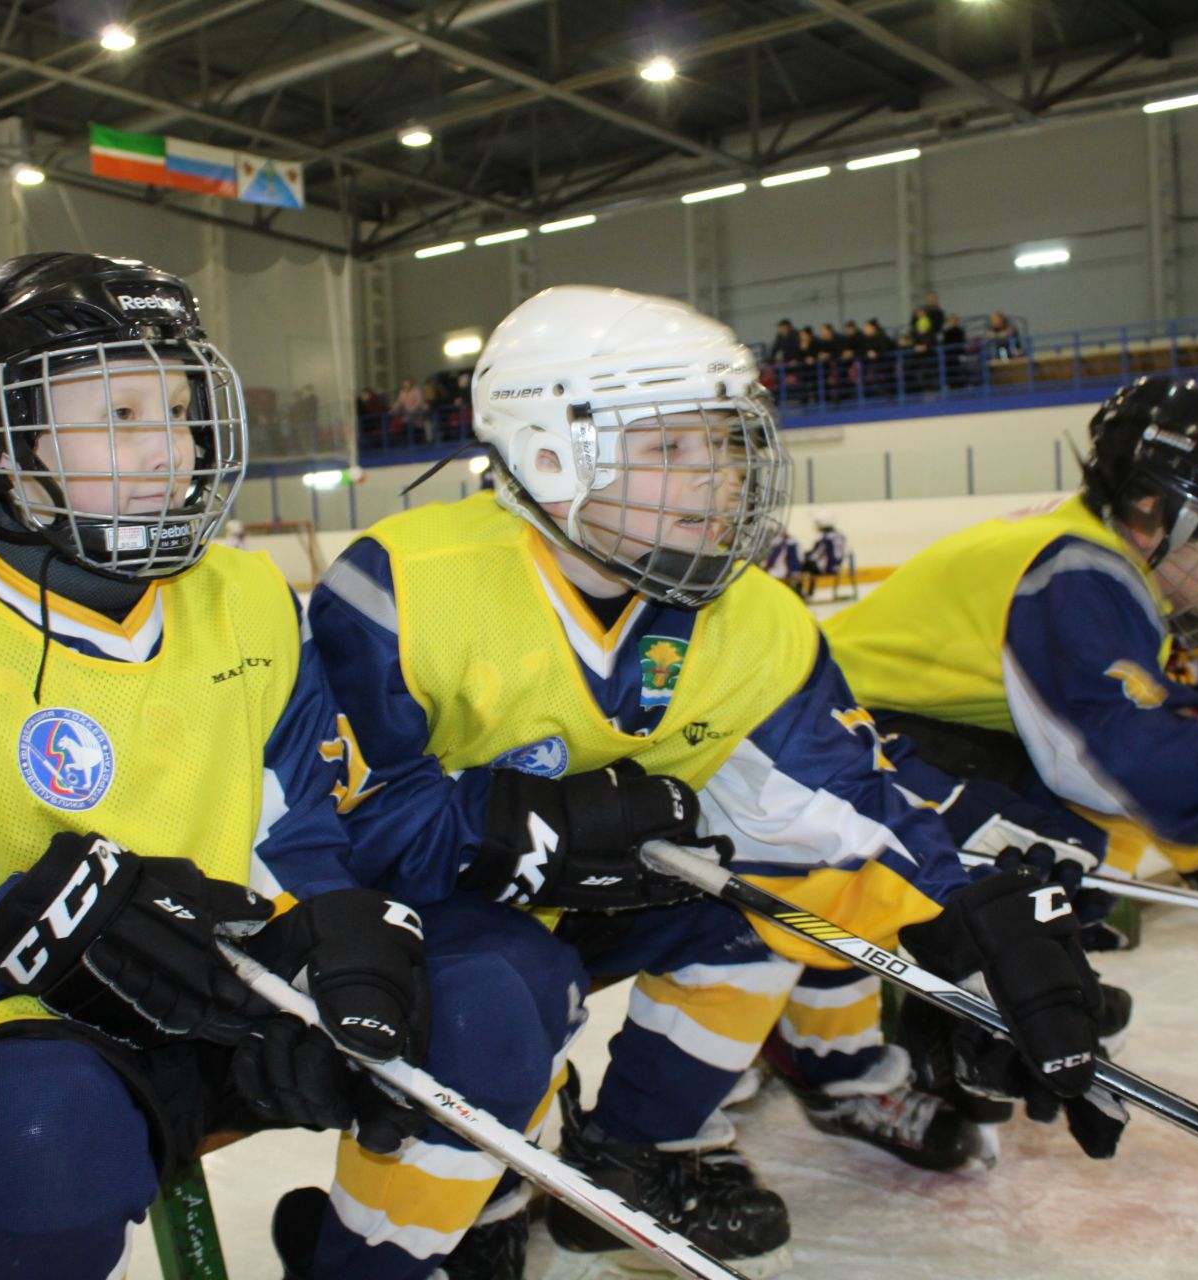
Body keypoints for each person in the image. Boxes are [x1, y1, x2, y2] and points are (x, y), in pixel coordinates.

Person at [283, 285, 1115, 1280]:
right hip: (431, 928)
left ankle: (635, 1147)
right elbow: (334, 825)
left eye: (724, 445)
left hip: (574, 896)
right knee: (507, 988)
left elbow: (845, 803)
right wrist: (530, 821)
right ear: (550, 453)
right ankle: (432, 1214)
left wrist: (977, 944)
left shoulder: (751, 617)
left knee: (764, 898)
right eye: (675, 449)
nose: (719, 480)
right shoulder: (406, 587)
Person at [0, 252, 430, 1280]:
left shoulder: (246, 600)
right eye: (118, 414)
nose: (171, 448)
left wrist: (328, 943)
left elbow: (299, 825)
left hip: (222, 990)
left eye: (180, 409)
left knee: (466, 994)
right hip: (25, 1035)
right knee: (39, 1135)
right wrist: (37, 920)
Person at [823, 376, 1198, 935]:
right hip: (832, 733)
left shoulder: (1102, 552)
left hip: (886, 723)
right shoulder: (1077, 571)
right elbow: (1109, 746)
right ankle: (973, 989)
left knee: (1074, 853)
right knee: (1047, 858)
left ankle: (990, 972)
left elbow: (1182, 647)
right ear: (1150, 514)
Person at [799, 511, 849, 599]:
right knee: (810, 567)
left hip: (826, 567)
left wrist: (804, 556)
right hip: (837, 567)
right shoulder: (840, 535)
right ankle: (809, 592)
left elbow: (815, 555)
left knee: (801, 566)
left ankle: (799, 592)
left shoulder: (824, 537)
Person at [391, 375, 431, 443]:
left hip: (418, 410)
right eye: (404, 383)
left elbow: (419, 401)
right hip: (408, 413)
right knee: (406, 421)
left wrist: (412, 409)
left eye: (407, 383)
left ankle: (420, 433)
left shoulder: (416, 390)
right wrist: (393, 409)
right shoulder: (402, 392)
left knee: (410, 419)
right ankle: (412, 439)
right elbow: (399, 402)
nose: (406, 385)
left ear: (411, 383)